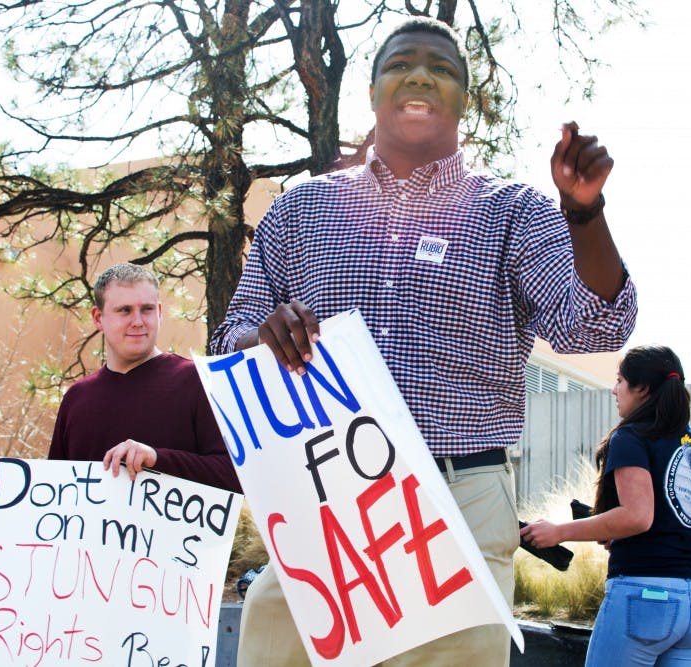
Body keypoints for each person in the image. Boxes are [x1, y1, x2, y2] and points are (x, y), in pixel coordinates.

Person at [209, 16, 637, 667]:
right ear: (374, 90)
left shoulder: (514, 211)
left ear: (465, 99)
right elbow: (227, 339)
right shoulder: (302, 210)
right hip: (325, 499)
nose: (419, 76)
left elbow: (595, 324)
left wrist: (583, 212)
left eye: (441, 68)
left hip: (457, 499)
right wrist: (260, 335)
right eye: (400, 63)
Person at [521, 345, 691, 666]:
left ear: (642, 388)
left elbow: (637, 517)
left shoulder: (631, 437)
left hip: (643, 600)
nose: (614, 389)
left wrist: (559, 531)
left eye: (620, 380)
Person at [48, 262, 241, 493]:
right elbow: (56, 490)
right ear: (98, 318)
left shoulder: (197, 381)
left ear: (159, 313)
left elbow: (234, 477)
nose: (138, 321)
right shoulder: (76, 399)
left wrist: (157, 459)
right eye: (125, 310)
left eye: (147, 309)